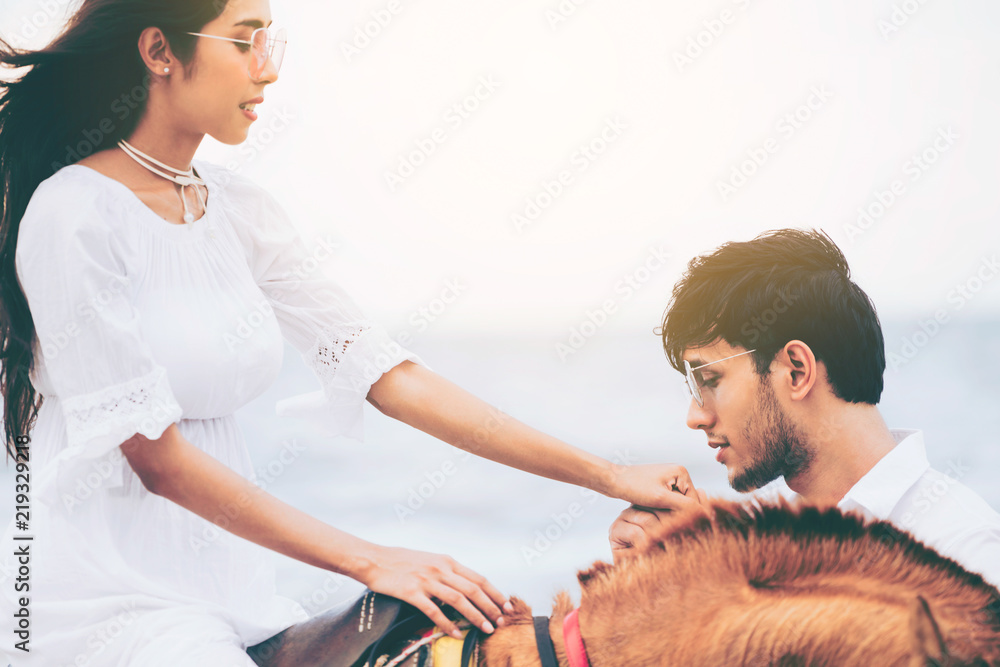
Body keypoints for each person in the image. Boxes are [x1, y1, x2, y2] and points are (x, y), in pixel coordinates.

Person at [0, 1, 696, 664]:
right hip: (101, 597)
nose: (267, 68)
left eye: (272, 42)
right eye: (245, 41)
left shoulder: (241, 210)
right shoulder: (74, 214)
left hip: (232, 589)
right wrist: (372, 557)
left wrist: (608, 475)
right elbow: (157, 459)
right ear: (159, 51)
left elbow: (390, 377)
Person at [608, 228, 1000, 591]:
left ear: (796, 370)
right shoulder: (763, 546)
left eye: (709, 381)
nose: (695, 416)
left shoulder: (963, 551)